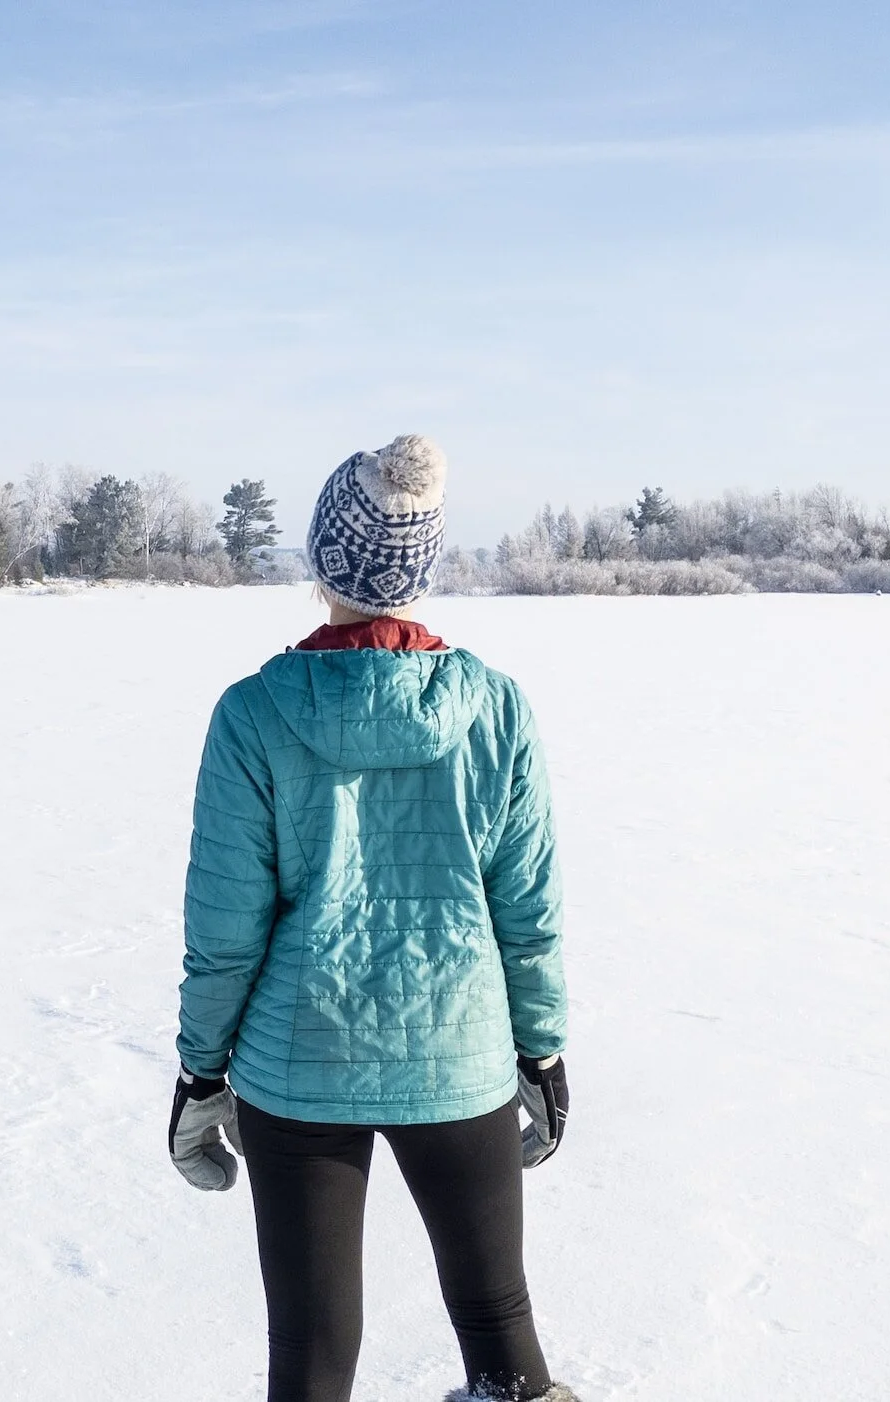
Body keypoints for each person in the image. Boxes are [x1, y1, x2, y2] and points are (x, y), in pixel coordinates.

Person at [167, 435, 575, 1402]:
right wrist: (543, 1050)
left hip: (296, 1065)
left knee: (308, 1355)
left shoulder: (253, 714)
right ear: (420, 571)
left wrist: (199, 1070)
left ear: (323, 562)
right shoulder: (497, 708)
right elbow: (528, 909)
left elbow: (224, 925)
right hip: (459, 1053)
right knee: (498, 1323)